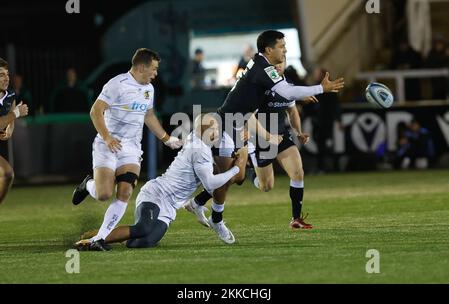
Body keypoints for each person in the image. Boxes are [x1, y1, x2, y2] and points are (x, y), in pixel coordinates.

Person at [185, 30, 344, 238]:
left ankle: (204, 208)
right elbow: (279, 97)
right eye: (281, 47)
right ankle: (201, 208)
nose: (284, 51)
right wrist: (320, 88)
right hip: (233, 126)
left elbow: (289, 101)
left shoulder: (266, 70)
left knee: (250, 175)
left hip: (245, 125)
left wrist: (296, 130)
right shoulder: (264, 69)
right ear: (269, 50)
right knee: (230, 176)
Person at [75, 113, 246, 250]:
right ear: (205, 131)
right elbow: (210, 184)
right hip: (158, 194)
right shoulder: (200, 149)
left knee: (144, 241)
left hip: (170, 205)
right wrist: (236, 169)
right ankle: (94, 240)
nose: (217, 132)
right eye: (214, 128)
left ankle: (106, 234)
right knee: (143, 228)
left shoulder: (199, 140)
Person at [71, 48, 182, 251]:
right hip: (107, 146)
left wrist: (166, 139)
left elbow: (149, 115)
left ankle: (100, 239)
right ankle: (88, 185)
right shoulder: (117, 84)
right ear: (141, 67)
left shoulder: (149, 89)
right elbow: (95, 111)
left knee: (124, 192)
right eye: (154, 69)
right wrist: (107, 137)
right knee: (103, 194)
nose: (156, 74)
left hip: (131, 149)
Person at [245, 59, 318, 229]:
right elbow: (248, 114)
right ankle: (248, 170)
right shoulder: (261, 87)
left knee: (298, 172)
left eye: (281, 62)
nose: (278, 65)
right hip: (260, 139)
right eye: (274, 63)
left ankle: (296, 218)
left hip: (281, 136)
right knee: (266, 186)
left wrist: (298, 132)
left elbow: (291, 111)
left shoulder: (288, 85)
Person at [0, 58, 29, 205]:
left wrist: (10, 129)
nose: (6, 78)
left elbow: (11, 109)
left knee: (7, 174)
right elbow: (14, 113)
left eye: (7, 74)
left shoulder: (10, 94)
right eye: (1, 75)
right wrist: (17, 114)